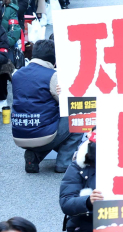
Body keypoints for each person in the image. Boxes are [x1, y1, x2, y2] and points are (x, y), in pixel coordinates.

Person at [12, 39, 78, 174]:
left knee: (48, 122)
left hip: (19, 133)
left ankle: (35, 155)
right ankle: (64, 163)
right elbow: (66, 104)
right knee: (78, 115)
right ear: (54, 58)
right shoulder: (53, 76)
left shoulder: (17, 74)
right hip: (43, 134)